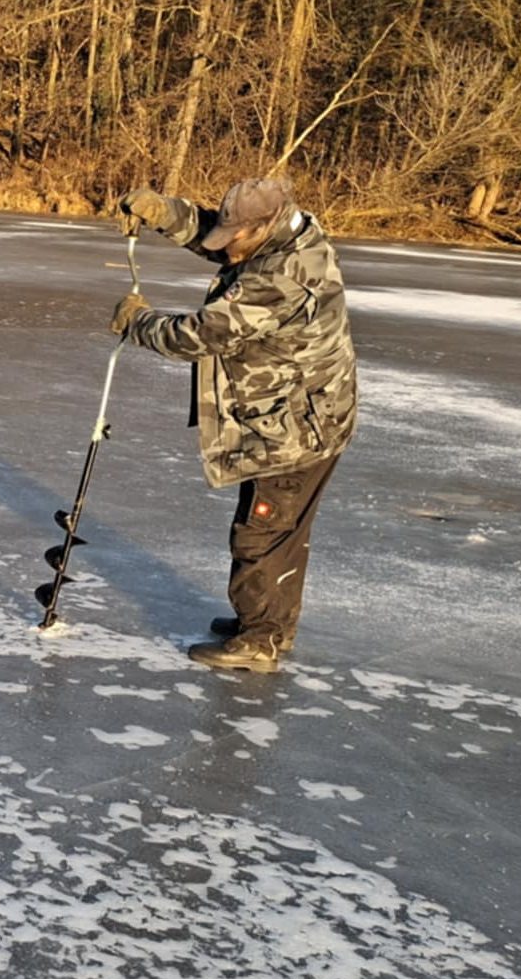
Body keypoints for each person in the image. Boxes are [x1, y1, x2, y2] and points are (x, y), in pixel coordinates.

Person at [111, 179, 357, 673]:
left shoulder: (282, 278)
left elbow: (203, 335)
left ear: (266, 226)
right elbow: (219, 235)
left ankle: (260, 639)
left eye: (238, 236)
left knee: (261, 534)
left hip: (292, 432)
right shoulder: (295, 232)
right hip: (307, 414)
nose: (229, 247)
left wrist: (138, 323)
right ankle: (270, 622)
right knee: (282, 532)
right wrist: (163, 212)